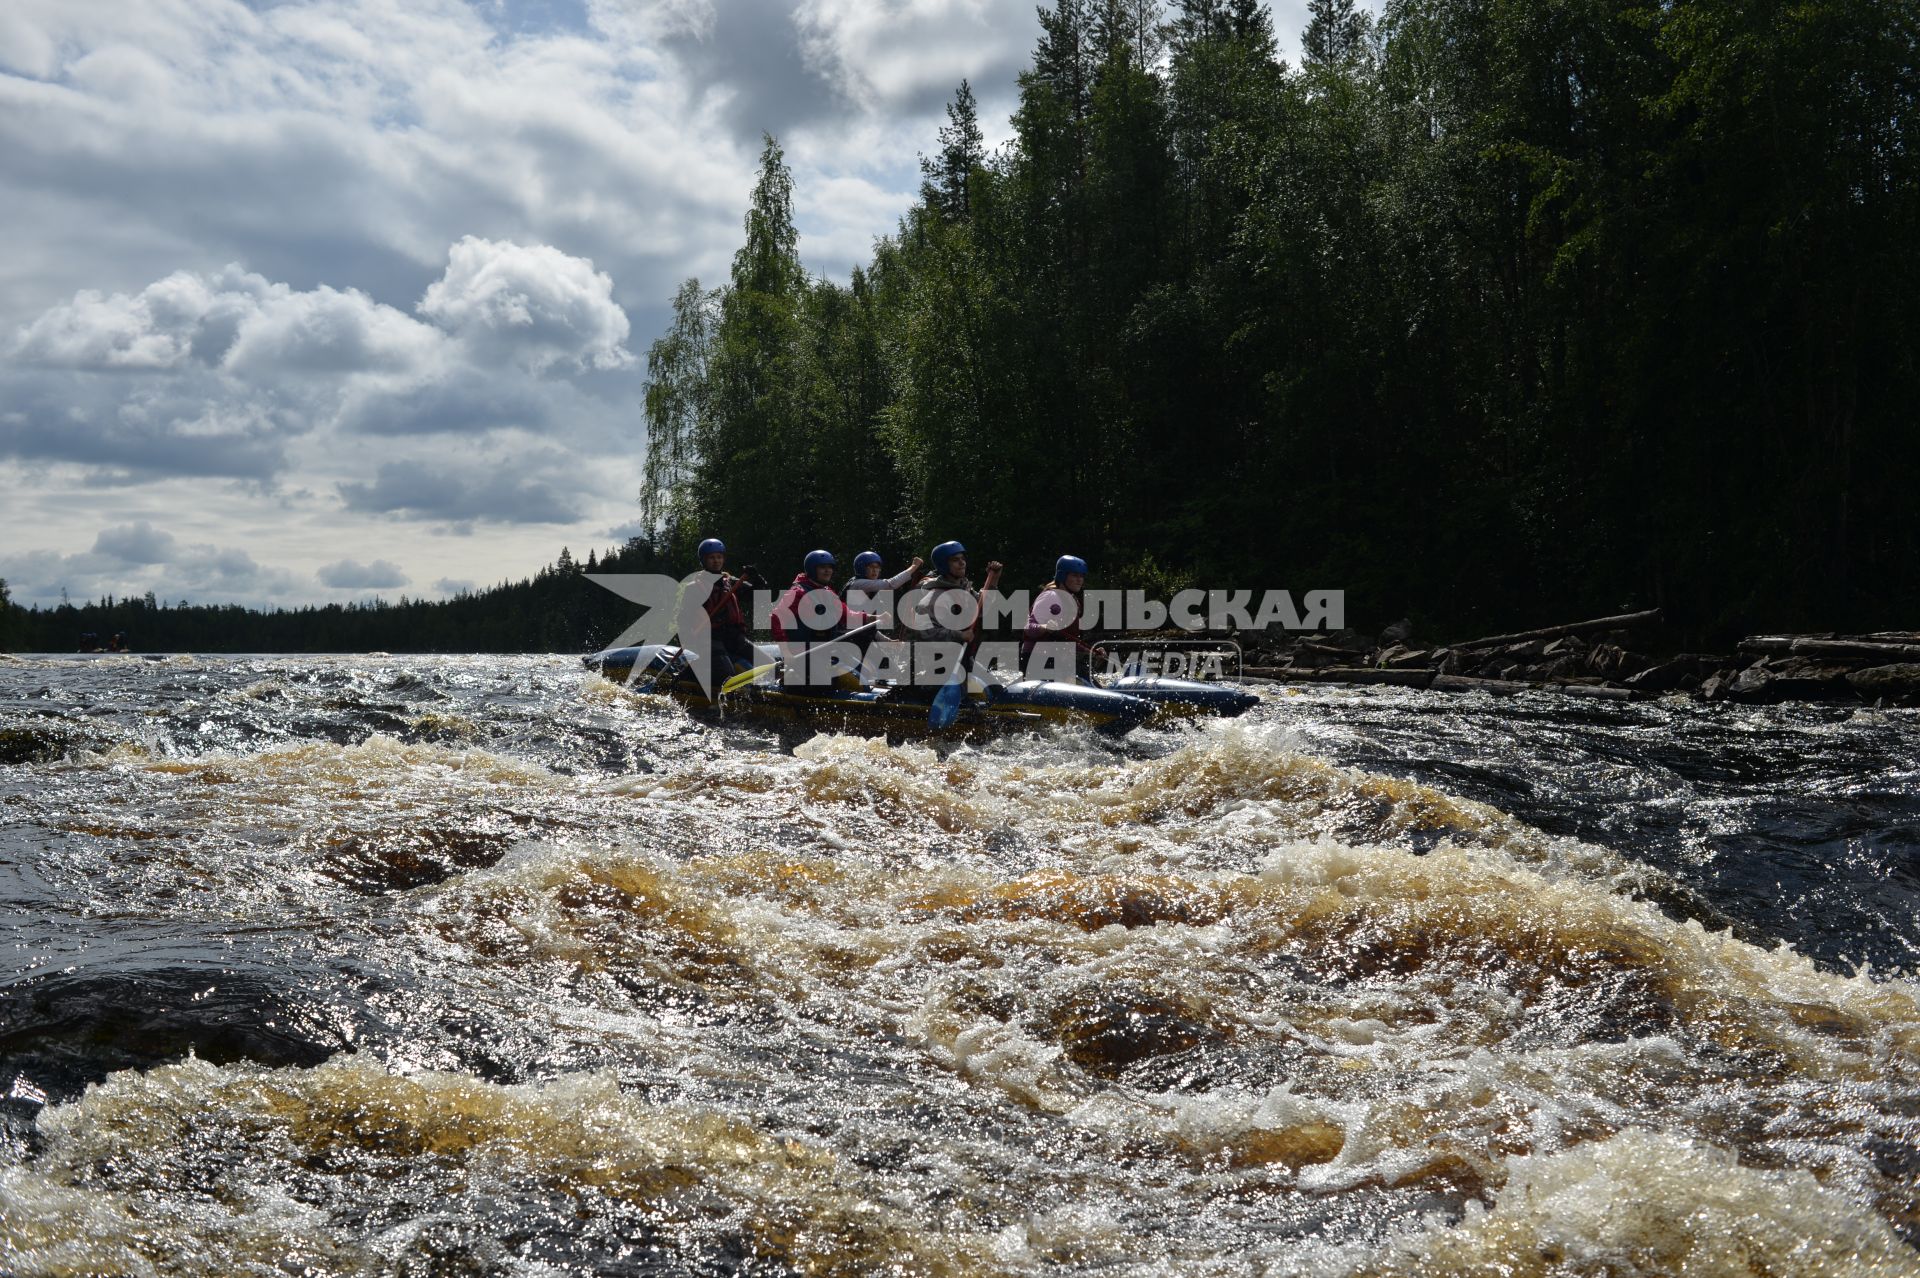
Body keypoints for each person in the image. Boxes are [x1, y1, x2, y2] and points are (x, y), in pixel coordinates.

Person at [903, 541, 1002, 695]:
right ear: (943, 565)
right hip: (937, 664)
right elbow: (924, 634)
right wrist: (959, 635)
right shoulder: (933, 598)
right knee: (960, 698)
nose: (962, 562)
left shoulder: (964, 590)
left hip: (962, 658)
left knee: (997, 690)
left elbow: (982, 609)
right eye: (955, 560)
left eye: (962, 558)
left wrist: (994, 580)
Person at [772, 550, 879, 686]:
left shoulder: (828, 592)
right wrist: (786, 652)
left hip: (824, 649)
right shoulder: (798, 592)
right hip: (801, 652)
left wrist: (874, 618)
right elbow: (776, 618)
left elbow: (847, 615)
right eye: (823, 568)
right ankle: (790, 682)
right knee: (825, 681)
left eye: (830, 568)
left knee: (864, 671)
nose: (828, 571)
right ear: (812, 569)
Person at [692, 537, 761, 679]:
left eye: (719, 557)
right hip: (711, 639)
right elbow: (684, 620)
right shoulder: (695, 588)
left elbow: (759, 594)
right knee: (727, 675)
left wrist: (757, 577)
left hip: (733, 637)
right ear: (703, 560)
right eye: (711, 558)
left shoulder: (731, 582)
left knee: (769, 663)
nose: (716, 561)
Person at [1023, 555, 1096, 683]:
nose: (1080, 580)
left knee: (1092, 685)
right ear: (1062, 576)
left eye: (1082, 576)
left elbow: (1067, 639)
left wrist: (1091, 651)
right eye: (1075, 575)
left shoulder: (1073, 601)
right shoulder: (1050, 597)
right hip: (1038, 660)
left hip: (1059, 660)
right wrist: (1045, 627)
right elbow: (1028, 628)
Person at [842, 550, 926, 617]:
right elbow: (890, 584)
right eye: (871, 567)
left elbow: (867, 628)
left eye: (877, 567)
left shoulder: (870, 589)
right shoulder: (858, 584)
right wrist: (913, 567)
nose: (875, 570)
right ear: (861, 568)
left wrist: (888, 639)